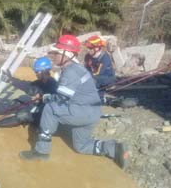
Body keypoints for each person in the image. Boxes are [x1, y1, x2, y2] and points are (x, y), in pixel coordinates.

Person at [19, 34, 129, 170]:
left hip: (82, 111)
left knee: (50, 109)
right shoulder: (77, 69)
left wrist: (42, 98)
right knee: (81, 146)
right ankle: (114, 148)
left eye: (57, 53)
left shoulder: (71, 72)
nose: (54, 56)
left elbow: (60, 99)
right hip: (90, 113)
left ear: (68, 54)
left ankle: (41, 151)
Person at [0, 56, 58, 130]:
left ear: (44, 71)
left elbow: (51, 100)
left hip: (42, 113)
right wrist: (11, 80)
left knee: (23, 115)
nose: (35, 74)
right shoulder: (40, 81)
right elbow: (28, 86)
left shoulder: (52, 84)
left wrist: (40, 97)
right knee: (15, 102)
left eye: (37, 72)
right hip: (34, 105)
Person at [84, 35, 116, 101]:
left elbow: (98, 73)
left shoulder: (105, 58)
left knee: (93, 80)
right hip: (95, 77)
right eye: (87, 47)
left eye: (90, 48)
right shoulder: (87, 56)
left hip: (107, 78)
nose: (88, 50)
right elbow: (86, 69)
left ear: (97, 48)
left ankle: (99, 97)